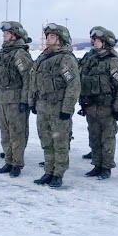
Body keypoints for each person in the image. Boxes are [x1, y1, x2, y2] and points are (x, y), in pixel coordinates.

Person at [78, 26, 118, 180]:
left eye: (98, 40)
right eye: (94, 40)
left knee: (107, 139)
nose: (94, 42)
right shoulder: (89, 59)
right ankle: (97, 164)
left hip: (107, 108)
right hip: (91, 107)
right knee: (94, 137)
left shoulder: (112, 62)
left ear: (105, 42)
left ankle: (106, 167)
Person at [30, 23, 81, 188]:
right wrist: (32, 101)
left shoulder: (65, 59)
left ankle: (58, 174)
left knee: (60, 143)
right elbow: (34, 81)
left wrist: (67, 109)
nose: (47, 39)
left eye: (51, 36)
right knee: (46, 142)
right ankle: (48, 171)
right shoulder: (43, 57)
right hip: (43, 107)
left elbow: (73, 85)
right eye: (47, 36)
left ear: (60, 39)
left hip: (58, 109)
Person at [0, 21, 33, 178]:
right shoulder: (3, 54)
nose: (4, 36)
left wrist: (24, 100)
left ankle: (17, 163)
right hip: (3, 99)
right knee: (5, 132)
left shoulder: (20, 54)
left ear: (15, 35)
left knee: (17, 133)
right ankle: (8, 161)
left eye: (7, 34)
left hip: (16, 100)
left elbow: (27, 79)